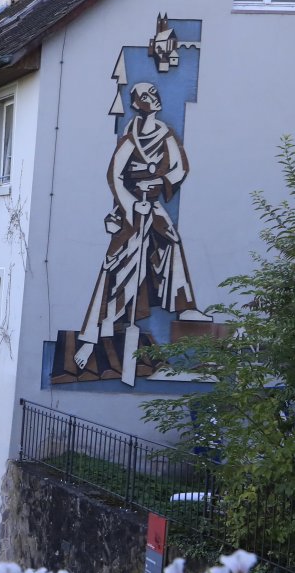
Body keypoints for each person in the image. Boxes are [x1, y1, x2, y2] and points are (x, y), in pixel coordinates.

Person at [72, 80, 210, 384]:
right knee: (118, 266)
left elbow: (180, 168)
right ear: (136, 104)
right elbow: (114, 175)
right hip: (130, 209)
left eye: (154, 93)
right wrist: (133, 205)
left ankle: (184, 306)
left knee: (170, 241)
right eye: (144, 95)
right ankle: (92, 337)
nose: (152, 98)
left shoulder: (165, 133)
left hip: (153, 204)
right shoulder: (131, 136)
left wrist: (160, 183)